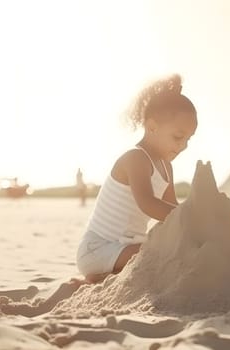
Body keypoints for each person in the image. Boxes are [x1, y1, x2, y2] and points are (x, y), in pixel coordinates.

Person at [77, 74, 197, 283]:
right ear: (152, 127)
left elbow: (171, 210)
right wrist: (189, 215)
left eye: (188, 139)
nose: (183, 146)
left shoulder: (166, 167)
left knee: (173, 249)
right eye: (178, 137)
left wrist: (191, 221)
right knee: (161, 254)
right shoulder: (136, 158)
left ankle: (101, 279)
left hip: (128, 247)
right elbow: (148, 204)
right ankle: (98, 276)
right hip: (98, 248)